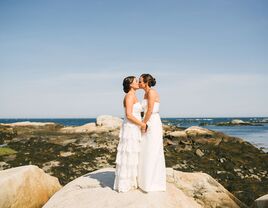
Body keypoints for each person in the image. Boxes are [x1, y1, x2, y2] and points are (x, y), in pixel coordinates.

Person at [113, 76, 147, 192]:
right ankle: (125, 183)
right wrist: (142, 124)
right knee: (129, 153)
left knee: (133, 153)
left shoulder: (134, 95)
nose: (138, 83)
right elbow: (128, 115)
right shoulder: (129, 96)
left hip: (134, 127)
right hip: (131, 127)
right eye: (136, 81)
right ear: (130, 85)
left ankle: (132, 180)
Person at [138, 73, 166, 192]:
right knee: (146, 148)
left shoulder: (151, 92)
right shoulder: (145, 93)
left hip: (153, 122)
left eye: (140, 81)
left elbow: (149, 110)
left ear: (146, 82)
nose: (138, 83)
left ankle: (153, 182)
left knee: (153, 149)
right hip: (148, 120)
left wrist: (143, 123)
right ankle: (144, 180)